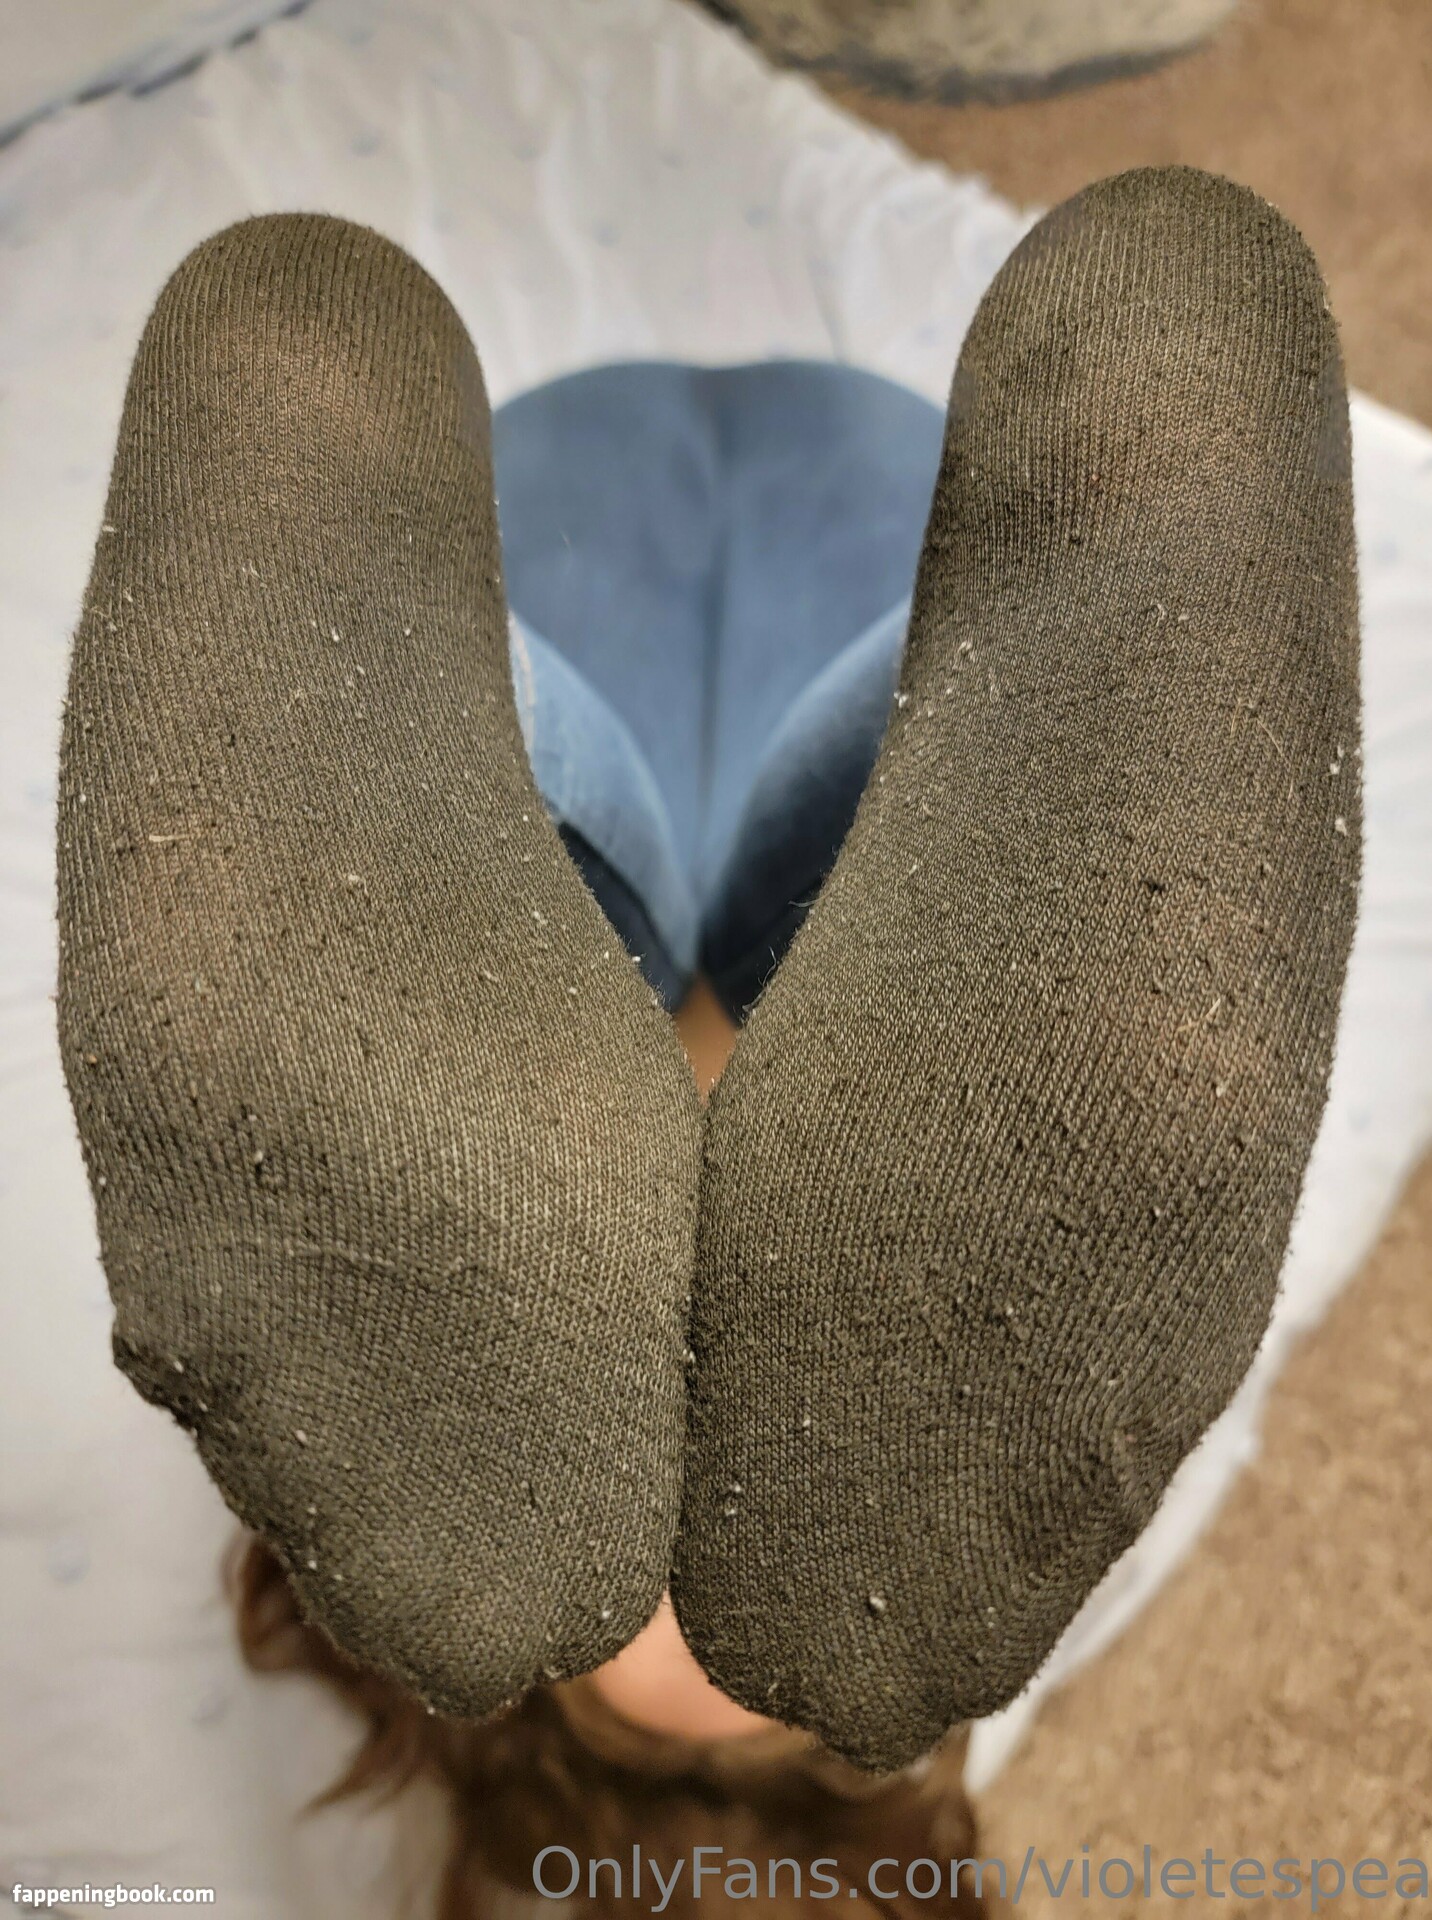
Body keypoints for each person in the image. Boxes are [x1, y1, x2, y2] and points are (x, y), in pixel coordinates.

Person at [55, 165, 1359, 1912]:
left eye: (660, 1499)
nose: (703, 1428)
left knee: (622, 913)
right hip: (826, 559)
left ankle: (628, 927)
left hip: (624, 547)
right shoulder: (1000, 1470)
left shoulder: (406, 1444)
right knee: (836, 903)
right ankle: (700, 934)